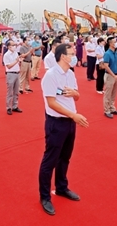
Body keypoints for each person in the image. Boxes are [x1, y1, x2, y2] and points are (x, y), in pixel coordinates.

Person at [38, 43, 88, 216]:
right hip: (56, 122)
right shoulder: (50, 76)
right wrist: (74, 116)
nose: (74, 56)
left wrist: (74, 94)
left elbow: (78, 95)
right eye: (71, 53)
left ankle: (61, 187)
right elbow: (51, 103)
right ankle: (44, 196)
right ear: (62, 56)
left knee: (65, 158)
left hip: (70, 121)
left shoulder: (71, 74)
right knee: (50, 159)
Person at [102, 37, 117, 118]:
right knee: (108, 94)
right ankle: (107, 110)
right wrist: (114, 75)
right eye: (114, 42)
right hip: (110, 76)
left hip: (115, 75)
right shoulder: (107, 53)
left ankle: (112, 108)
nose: (116, 43)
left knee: (113, 93)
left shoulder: (115, 53)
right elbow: (106, 66)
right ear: (110, 44)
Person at [3, 40, 23, 115]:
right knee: (10, 92)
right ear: (9, 46)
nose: (15, 46)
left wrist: (19, 61)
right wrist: (16, 60)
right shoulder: (6, 55)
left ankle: (15, 106)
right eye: (13, 45)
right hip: (10, 74)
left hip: (17, 73)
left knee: (16, 92)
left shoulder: (15, 53)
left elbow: (18, 63)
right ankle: (8, 107)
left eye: (15, 45)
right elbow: (8, 66)